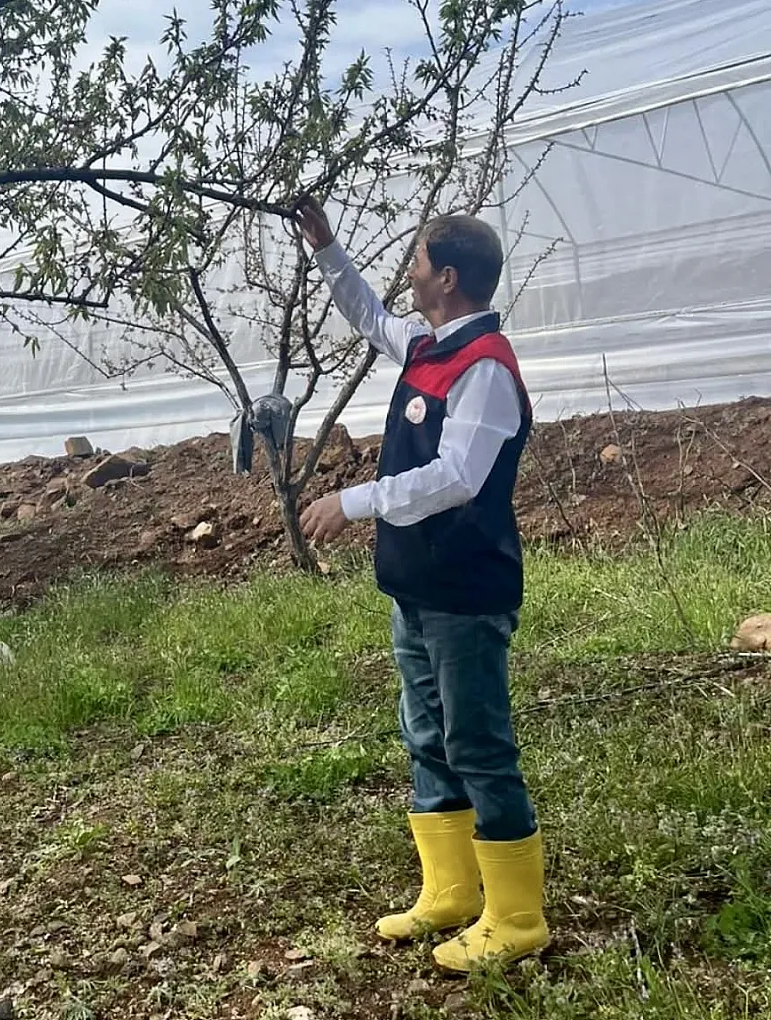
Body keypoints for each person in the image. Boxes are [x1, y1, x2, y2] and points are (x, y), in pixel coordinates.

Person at [292, 194, 548, 973]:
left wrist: (354, 502)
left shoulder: (486, 370)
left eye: (416, 261)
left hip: (465, 594)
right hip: (417, 586)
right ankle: (451, 890)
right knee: (427, 736)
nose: (408, 273)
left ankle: (517, 915)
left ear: (446, 276)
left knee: (478, 743)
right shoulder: (430, 345)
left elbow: (458, 478)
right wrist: (327, 248)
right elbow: (369, 316)